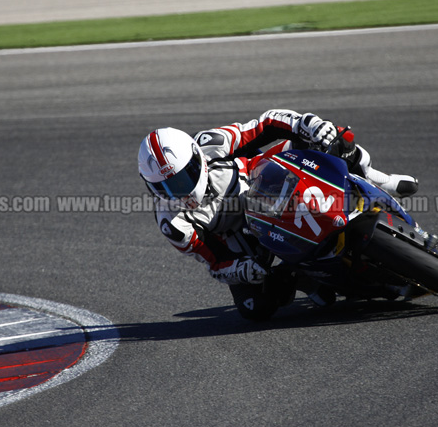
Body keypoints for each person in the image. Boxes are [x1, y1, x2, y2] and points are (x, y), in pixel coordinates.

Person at [137, 109, 419, 319]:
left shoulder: (212, 142)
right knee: (256, 309)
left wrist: (306, 123)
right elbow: (214, 261)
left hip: (269, 178)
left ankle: (379, 178)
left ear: (196, 157)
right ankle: (306, 278)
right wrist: (240, 269)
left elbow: (266, 125)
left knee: (335, 137)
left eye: (182, 179)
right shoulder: (172, 223)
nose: (179, 192)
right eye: (164, 187)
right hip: (243, 233)